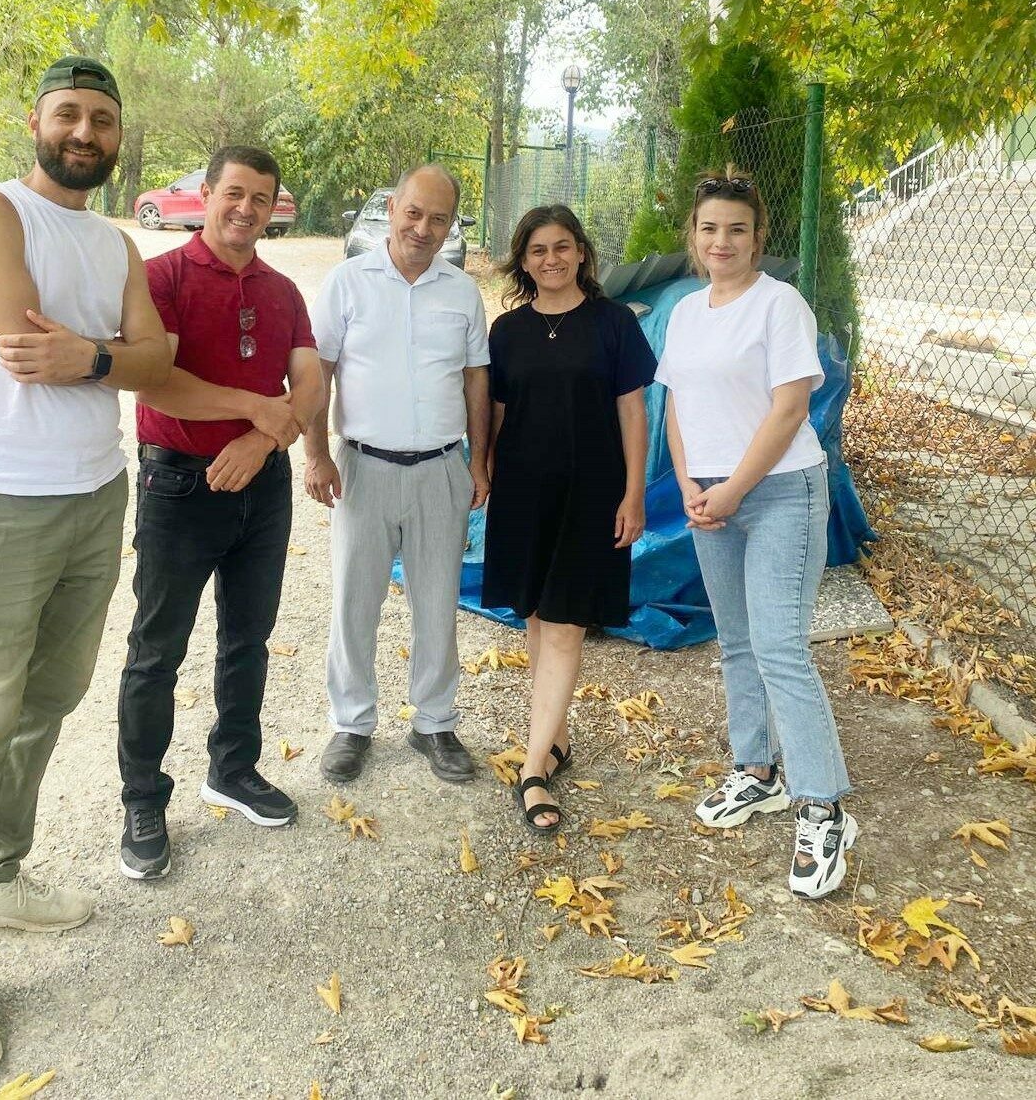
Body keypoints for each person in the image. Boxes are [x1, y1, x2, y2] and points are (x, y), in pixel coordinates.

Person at [0, 56, 171, 1075]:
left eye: (102, 119)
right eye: (69, 113)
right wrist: (110, 354)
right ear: (36, 121)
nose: (84, 132)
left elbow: (152, 359)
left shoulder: (115, 242)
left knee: (50, 698)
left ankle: (3, 873)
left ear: (117, 138)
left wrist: (97, 355)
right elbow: (27, 346)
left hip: (93, 493)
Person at [116, 145, 324, 880]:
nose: (246, 208)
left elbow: (310, 386)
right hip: (177, 488)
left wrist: (260, 440)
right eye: (234, 192)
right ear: (205, 194)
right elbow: (155, 383)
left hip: (262, 488)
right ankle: (143, 800)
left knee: (248, 638)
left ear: (273, 209)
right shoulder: (164, 278)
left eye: (261, 198)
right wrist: (256, 408)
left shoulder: (283, 290)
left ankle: (232, 769)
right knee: (157, 651)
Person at [657, 166, 856, 899]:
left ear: (757, 237)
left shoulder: (780, 305)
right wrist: (688, 486)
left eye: (737, 229)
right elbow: (676, 407)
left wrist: (732, 491)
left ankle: (823, 808)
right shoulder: (685, 311)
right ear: (694, 234)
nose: (722, 241)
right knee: (736, 640)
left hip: (778, 494)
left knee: (779, 648)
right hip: (709, 495)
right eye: (710, 228)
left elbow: (789, 410)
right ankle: (757, 769)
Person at [304, 164, 490, 784]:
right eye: (414, 213)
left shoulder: (461, 292)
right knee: (354, 601)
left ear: (451, 225)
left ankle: (434, 722)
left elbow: (476, 379)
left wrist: (478, 463)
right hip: (363, 467)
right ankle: (352, 723)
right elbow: (318, 371)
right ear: (391, 208)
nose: (423, 228)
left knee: (437, 603)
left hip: (440, 469)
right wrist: (316, 453)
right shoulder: (347, 283)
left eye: (439, 219)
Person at [482, 205, 655, 834]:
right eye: (538, 250)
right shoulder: (507, 331)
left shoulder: (613, 323)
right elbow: (497, 412)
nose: (550, 259)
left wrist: (634, 494)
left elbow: (634, 414)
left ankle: (532, 770)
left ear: (581, 252)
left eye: (561, 247)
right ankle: (554, 739)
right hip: (523, 493)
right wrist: (485, 471)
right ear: (523, 261)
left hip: (592, 494)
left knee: (563, 625)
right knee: (535, 616)